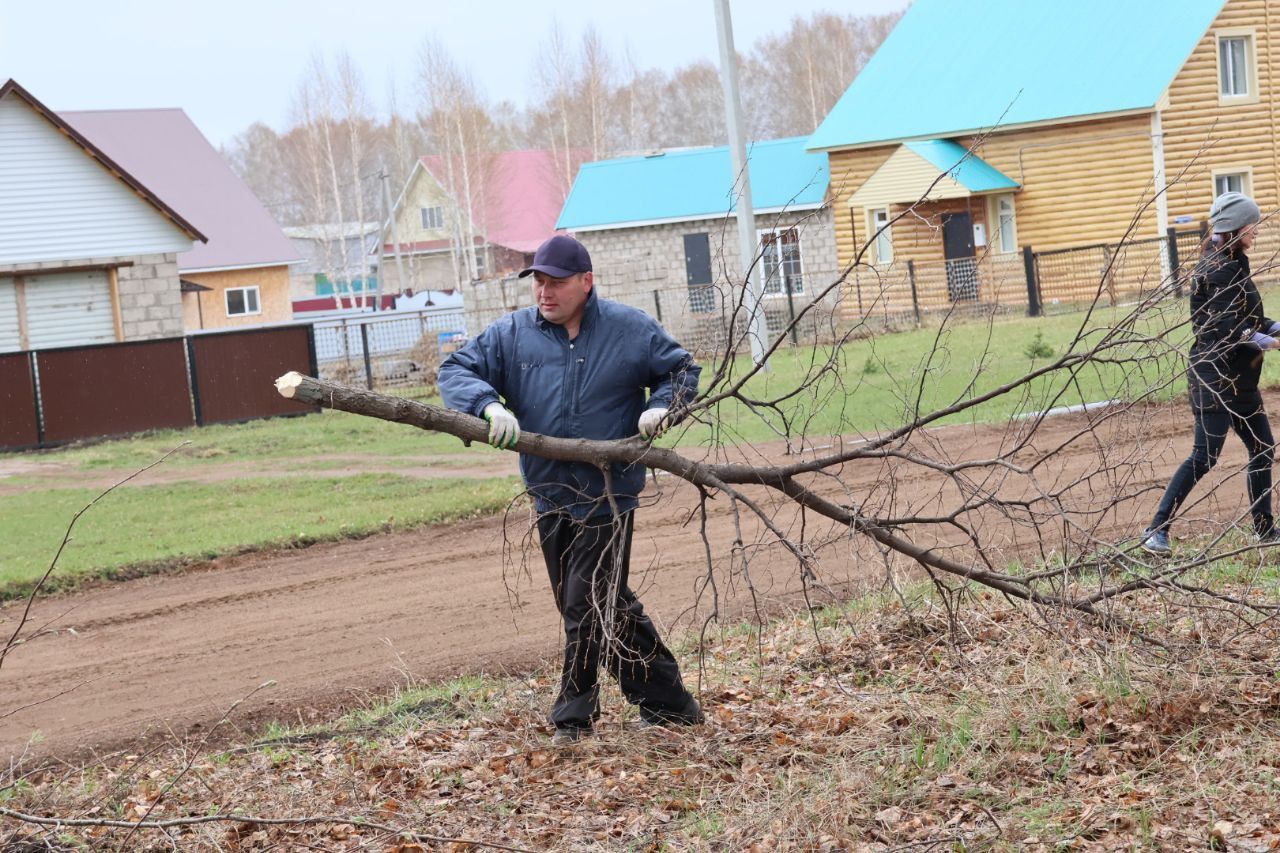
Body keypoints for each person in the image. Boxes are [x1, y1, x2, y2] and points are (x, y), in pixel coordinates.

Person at [438, 234, 704, 744]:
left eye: (555, 282)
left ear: (586, 282)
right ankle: (670, 703)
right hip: (548, 491)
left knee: (585, 603)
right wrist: (487, 406)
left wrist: (662, 406)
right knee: (601, 602)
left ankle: (573, 717)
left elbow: (682, 370)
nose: (544, 291)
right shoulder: (513, 334)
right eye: (537, 280)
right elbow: (455, 369)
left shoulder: (629, 329)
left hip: (609, 492)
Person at [1141, 191, 1279, 554]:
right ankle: (1155, 531)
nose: (1257, 232)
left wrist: (1274, 328)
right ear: (1236, 227)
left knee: (1262, 446)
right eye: (1253, 225)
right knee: (1204, 457)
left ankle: (1265, 529)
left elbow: (1249, 320)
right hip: (1214, 378)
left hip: (1240, 377)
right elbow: (1225, 330)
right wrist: (1268, 342)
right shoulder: (1216, 270)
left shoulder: (1233, 263)